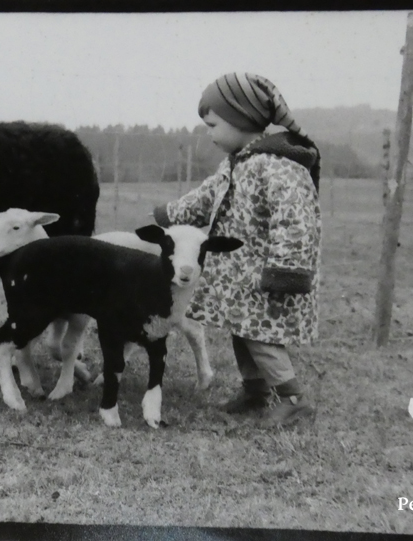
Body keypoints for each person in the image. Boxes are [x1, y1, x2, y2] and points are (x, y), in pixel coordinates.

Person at [153, 73, 321, 427]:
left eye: (213, 125)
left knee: (262, 336)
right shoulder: (237, 162)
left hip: (266, 274)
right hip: (239, 275)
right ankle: (255, 390)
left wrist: (287, 269)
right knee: (242, 331)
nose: (209, 134)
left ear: (240, 118)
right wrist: (168, 214)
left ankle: (293, 399)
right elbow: (206, 197)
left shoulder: (279, 166)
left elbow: (296, 220)